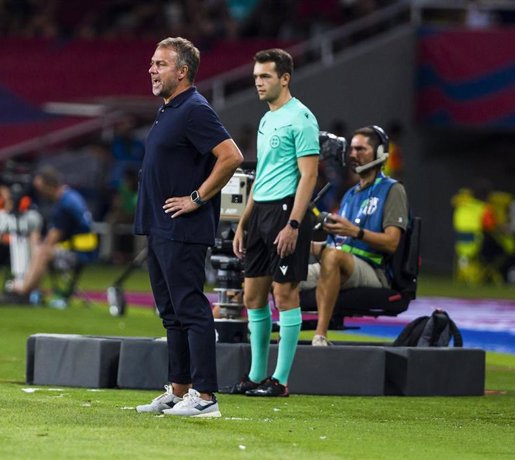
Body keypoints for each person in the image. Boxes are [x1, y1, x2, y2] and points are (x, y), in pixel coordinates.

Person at [134, 37, 243, 417]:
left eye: (160, 64)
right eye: (152, 62)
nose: (152, 69)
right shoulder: (169, 109)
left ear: (182, 72)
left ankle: (206, 396)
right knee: (171, 312)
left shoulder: (195, 108)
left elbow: (231, 156)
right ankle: (180, 390)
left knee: (190, 308)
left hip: (183, 228)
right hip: (160, 226)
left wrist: (196, 198)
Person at [222, 48, 319, 398]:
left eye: (265, 77)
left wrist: (293, 223)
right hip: (261, 210)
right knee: (252, 297)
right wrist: (243, 222)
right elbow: (261, 174)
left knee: (285, 292)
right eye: (256, 77)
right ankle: (256, 375)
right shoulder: (266, 119)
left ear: (284, 78)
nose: (258, 83)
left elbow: (309, 176)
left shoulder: (302, 118)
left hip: (285, 212)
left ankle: (279, 381)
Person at [306, 125, 409, 346]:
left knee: (333, 257)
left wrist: (355, 231)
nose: (353, 155)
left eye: (361, 149)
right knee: (284, 273)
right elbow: (335, 245)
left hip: (374, 268)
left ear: (380, 153)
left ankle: (320, 335)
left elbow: (392, 243)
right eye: (352, 149)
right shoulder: (350, 195)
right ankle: (275, 339)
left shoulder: (392, 190)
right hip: (341, 260)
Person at [11, 166, 96, 298]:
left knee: (43, 252)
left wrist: (38, 247)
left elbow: (52, 239)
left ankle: (24, 291)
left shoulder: (64, 204)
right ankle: (30, 287)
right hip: (83, 249)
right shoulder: (71, 196)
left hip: (78, 254)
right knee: (36, 240)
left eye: (40, 188)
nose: (39, 193)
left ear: (48, 186)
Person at [0, 176, 43, 299]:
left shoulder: (25, 203)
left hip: (19, 243)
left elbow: (31, 226)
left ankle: (22, 287)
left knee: (25, 253)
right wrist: (8, 207)